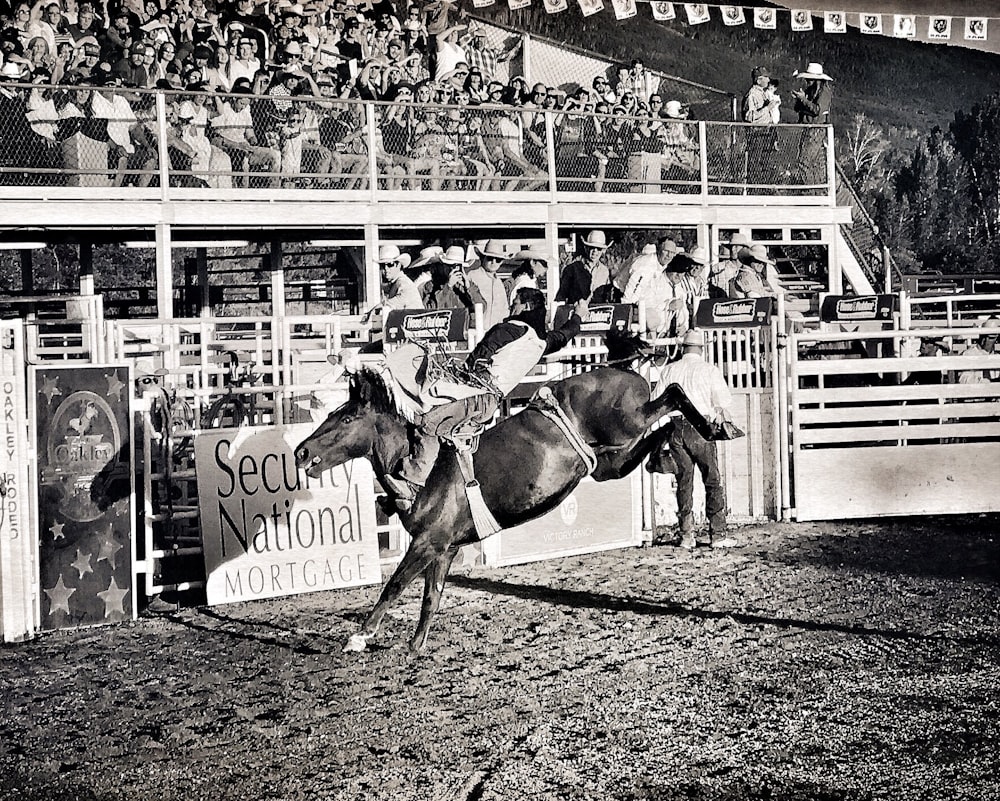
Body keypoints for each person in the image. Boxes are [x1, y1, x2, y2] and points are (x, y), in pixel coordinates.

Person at [382, 288, 588, 508]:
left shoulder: (509, 329)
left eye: (516, 303)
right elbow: (564, 335)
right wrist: (578, 316)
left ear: (526, 307)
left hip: (474, 394)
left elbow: (478, 358)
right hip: (489, 403)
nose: (512, 307)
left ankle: (412, 486)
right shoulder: (540, 341)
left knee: (428, 422)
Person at [654, 328, 735, 549]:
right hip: (701, 427)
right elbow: (723, 405)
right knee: (712, 479)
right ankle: (717, 535)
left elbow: (657, 402)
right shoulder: (709, 370)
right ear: (701, 349)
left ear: (683, 347)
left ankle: (686, 535)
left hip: (675, 427)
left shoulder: (669, 370)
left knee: (683, 481)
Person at [790, 61, 833, 185]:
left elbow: (817, 111)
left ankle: (808, 188)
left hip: (816, 130)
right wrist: (800, 100)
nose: (807, 81)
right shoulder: (811, 91)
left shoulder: (824, 92)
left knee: (805, 161)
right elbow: (799, 109)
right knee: (808, 162)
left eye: (809, 79)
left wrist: (803, 99)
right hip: (808, 129)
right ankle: (811, 188)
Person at [361, 244, 422, 323]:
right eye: (383, 265)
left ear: (399, 265)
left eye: (390, 264)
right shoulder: (397, 282)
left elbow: (393, 303)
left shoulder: (404, 283)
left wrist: (372, 311)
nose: (386, 269)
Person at [420, 245, 486, 314]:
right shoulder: (431, 286)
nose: (454, 270)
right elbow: (430, 310)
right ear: (444, 266)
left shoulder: (467, 286)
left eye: (458, 266)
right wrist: (448, 286)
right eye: (451, 266)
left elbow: (482, 309)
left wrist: (469, 288)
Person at [556, 229, 612, 304]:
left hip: (598, 312)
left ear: (602, 251)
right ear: (586, 248)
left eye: (599, 249)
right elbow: (561, 297)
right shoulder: (572, 269)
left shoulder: (604, 271)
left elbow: (606, 296)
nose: (595, 251)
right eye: (592, 247)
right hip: (576, 312)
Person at [465, 240, 511, 331]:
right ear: (483, 258)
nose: (493, 262)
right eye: (490, 258)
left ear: (501, 262)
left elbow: (504, 311)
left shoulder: (499, 283)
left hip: (495, 334)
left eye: (498, 260)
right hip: (476, 331)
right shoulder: (472, 276)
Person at [958, 317, 1000, 384]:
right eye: (984, 336)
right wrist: (982, 382)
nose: (986, 340)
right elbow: (963, 380)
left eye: (991, 338)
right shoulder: (969, 354)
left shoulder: (997, 356)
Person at [709, 233, 748, 297]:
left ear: (744, 250)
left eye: (736, 247)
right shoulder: (718, 268)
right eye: (731, 247)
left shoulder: (748, 270)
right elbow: (710, 294)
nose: (733, 250)